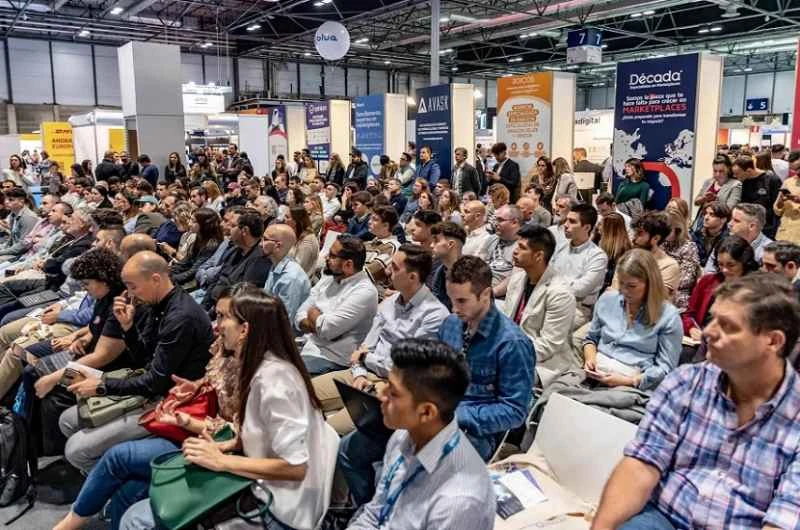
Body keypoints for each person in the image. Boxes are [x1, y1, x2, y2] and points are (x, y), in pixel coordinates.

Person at [592, 273, 800, 530]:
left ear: (773, 341)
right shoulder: (686, 382)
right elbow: (642, 465)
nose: (708, 332)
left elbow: (784, 519)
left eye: (727, 326)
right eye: (712, 319)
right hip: (664, 517)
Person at [120, 289, 338, 530]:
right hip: (261, 482)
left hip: (279, 506)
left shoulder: (275, 381)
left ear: (244, 330)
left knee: (137, 519)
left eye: (224, 318)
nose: (217, 325)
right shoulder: (258, 368)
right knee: (139, 500)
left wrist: (221, 461)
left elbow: (295, 467)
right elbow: (262, 434)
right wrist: (228, 445)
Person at [60, 251, 214, 472]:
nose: (130, 293)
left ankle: (109, 489)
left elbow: (156, 383)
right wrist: (128, 328)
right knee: (67, 420)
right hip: (152, 388)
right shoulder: (157, 305)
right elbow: (146, 359)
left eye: (133, 286)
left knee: (76, 450)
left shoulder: (180, 317)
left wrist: (103, 386)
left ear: (155, 279)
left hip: (172, 401)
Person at [346, 339, 495, 530]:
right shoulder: (402, 436)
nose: (381, 395)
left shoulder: (457, 502)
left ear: (426, 412)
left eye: (393, 392)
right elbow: (376, 513)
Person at [312, 245, 448, 434]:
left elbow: (405, 369)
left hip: (392, 387)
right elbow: (365, 345)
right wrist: (359, 371)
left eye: (395, 267)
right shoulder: (391, 302)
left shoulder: (434, 316)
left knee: (329, 431)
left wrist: (365, 359)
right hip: (361, 373)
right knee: (298, 394)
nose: (387, 271)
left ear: (413, 277)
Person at [584, 249, 682, 391]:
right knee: (557, 392)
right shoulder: (607, 300)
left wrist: (629, 381)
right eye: (621, 283)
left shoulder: (669, 316)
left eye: (631, 286)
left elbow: (665, 368)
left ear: (650, 284)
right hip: (596, 371)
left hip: (631, 381)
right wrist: (590, 359)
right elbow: (591, 340)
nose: (624, 290)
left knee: (600, 405)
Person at [295, 236, 379, 376]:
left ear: (348, 265)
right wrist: (316, 323)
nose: (327, 257)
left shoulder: (365, 292)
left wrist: (313, 315)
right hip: (308, 345)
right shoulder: (329, 278)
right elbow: (299, 315)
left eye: (333, 256)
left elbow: (327, 330)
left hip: (331, 359)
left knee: (283, 376)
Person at [504, 223, 577, 372]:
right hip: (512, 347)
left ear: (538, 256)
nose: (515, 251)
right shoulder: (517, 278)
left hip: (543, 361)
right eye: (517, 246)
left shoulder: (560, 293)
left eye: (522, 248)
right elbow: (506, 321)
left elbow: (548, 345)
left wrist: (509, 355)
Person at [683, 235, 759, 343]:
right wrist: (691, 328)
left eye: (731, 265)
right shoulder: (708, 281)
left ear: (744, 263)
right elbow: (688, 314)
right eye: (720, 264)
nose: (724, 270)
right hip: (700, 339)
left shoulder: (754, 289)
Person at [550, 203, 608, 327]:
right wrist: (567, 282)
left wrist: (554, 281)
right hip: (551, 300)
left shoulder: (597, 256)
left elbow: (580, 290)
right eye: (566, 220)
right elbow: (546, 275)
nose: (565, 225)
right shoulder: (561, 246)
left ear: (586, 228)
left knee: (547, 325)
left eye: (572, 221)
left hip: (578, 310)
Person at [201, 208, 271, 310]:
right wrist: (204, 307)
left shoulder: (259, 260)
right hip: (211, 304)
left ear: (244, 231)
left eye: (233, 226)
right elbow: (217, 279)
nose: (229, 229)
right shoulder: (235, 250)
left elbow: (241, 298)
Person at [617, 212, 680, 298]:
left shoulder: (669, 265)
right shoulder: (628, 258)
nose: (634, 238)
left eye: (640, 233)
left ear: (655, 238)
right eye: (635, 233)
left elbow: (657, 298)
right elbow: (615, 289)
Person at [261, 223, 311, 322]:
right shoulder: (275, 265)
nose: (260, 243)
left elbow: (284, 320)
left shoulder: (291, 277)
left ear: (278, 246)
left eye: (265, 239)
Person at [705, 203, 773, 273]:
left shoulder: (769, 252)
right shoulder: (723, 243)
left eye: (736, 221)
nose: (729, 224)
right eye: (731, 219)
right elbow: (708, 274)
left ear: (752, 226)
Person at [169, 207, 223, 286]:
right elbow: (186, 262)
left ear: (204, 225)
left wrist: (170, 279)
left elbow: (193, 272)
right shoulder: (199, 237)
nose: (189, 223)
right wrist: (168, 271)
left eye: (193, 221)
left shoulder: (211, 245)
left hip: (197, 283)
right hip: (187, 277)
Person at [662, 201, 700, 311]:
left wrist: (662, 284)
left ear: (677, 231)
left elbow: (686, 280)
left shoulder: (689, 247)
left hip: (678, 295)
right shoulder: (660, 243)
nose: (662, 233)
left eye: (667, 231)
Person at [733, 155, 782, 238]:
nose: (735, 177)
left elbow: (777, 208)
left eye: (737, 174)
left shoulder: (772, 180)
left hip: (767, 229)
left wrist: (774, 230)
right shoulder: (745, 182)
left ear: (748, 171)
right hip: (749, 227)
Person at [692, 155, 741, 231]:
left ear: (728, 169)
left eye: (721, 171)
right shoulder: (708, 182)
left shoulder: (735, 184)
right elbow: (696, 202)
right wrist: (704, 198)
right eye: (715, 171)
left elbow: (729, 209)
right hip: (702, 222)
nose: (717, 174)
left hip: (720, 227)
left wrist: (715, 199)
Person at [427, 221, 465, 310]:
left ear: (450, 244)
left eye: (436, 240)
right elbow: (436, 302)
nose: (431, 245)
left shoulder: (470, 272)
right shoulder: (440, 270)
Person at [364, 205, 401, 293]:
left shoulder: (392, 246)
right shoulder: (368, 243)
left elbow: (368, 274)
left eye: (375, 219)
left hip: (373, 292)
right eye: (370, 218)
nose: (369, 222)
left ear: (385, 225)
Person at [488, 204, 521, 298]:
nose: (495, 223)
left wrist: (491, 293)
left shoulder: (523, 246)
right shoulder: (491, 239)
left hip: (499, 296)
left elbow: (515, 278)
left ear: (514, 222)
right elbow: (478, 263)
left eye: (500, 220)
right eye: (495, 219)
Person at [595, 212, 632, 294]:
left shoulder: (623, 251)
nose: (598, 227)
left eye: (601, 225)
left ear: (609, 229)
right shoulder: (597, 240)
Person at [0, 187, 41, 256]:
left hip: (23, 255)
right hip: (13, 251)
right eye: (6, 199)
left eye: (11, 200)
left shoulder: (28, 218)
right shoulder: (13, 214)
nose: (6, 202)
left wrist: (2, 252)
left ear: (21, 201)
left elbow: (23, 245)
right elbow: (12, 240)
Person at [691, 201, 730, 267]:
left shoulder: (728, 240)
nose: (706, 217)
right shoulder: (697, 234)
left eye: (711, 215)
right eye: (705, 213)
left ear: (723, 219)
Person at [773, 152, 800, 244]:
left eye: (799, 168)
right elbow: (777, 210)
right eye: (793, 170)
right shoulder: (788, 182)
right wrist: (781, 201)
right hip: (785, 234)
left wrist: (797, 200)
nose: (797, 172)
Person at [286, 206, 320, 277]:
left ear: (295, 221)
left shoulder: (308, 240)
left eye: (287, 217)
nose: (284, 219)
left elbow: (298, 266)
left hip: (297, 280)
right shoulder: (295, 234)